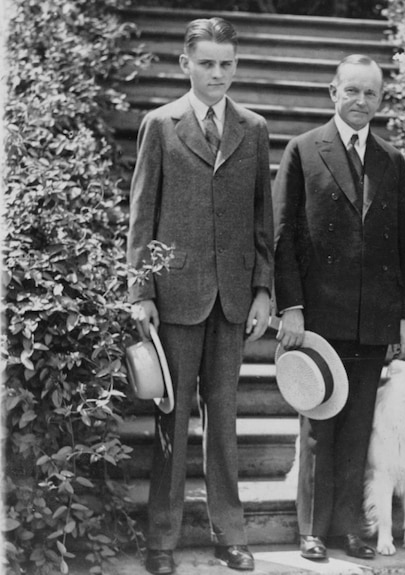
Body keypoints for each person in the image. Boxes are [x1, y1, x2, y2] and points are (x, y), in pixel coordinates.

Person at [127, 17, 273, 575]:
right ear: (185, 63)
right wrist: (141, 290)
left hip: (233, 297)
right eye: (207, 62)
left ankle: (229, 532)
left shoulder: (254, 128)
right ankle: (161, 540)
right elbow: (142, 216)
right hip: (177, 293)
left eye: (227, 63)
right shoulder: (160, 125)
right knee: (172, 416)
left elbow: (263, 218)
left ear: (236, 65)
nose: (217, 73)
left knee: (225, 420)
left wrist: (263, 289)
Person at [272, 54, 405, 561]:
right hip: (319, 317)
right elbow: (283, 235)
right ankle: (312, 528)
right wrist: (290, 307)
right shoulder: (303, 150)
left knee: (357, 426)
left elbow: (402, 241)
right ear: (333, 92)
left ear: (380, 100)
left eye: (369, 94)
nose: (359, 101)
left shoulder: (391, 161)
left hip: (372, 318)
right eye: (351, 91)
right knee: (318, 427)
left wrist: (403, 312)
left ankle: (351, 527)